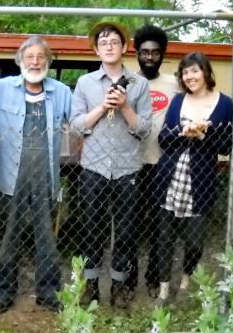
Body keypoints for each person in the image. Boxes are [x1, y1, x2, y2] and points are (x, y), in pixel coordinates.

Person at [0, 36, 72, 314]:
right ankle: (4, 292)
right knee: (7, 235)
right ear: (20, 60)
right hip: (10, 175)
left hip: (46, 175)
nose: (35, 62)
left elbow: (80, 120)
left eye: (40, 56)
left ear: (48, 61)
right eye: (29, 56)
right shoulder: (0, 88)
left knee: (46, 236)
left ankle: (48, 292)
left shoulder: (61, 91)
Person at [70, 21, 152, 309]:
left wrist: (126, 106)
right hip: (93, 167)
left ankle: (118, 286)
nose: (108, 46)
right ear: (96, 49)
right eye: (103, 42)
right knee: (91, 229)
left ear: (124, 47)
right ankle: (90, 286)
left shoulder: (140, 84)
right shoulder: (85, 83)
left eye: (114, 42)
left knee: (126, 232)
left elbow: (144, 130)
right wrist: (102, 107)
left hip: (128, 168)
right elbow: (76, 127)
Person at [154, 52, 233, 306]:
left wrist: (201, 135)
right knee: (165, 238)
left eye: (194, 71)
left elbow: (226, 146)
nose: (189, 76)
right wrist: (183, 131)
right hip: (170, 178)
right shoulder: (178, 101)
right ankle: (164, 290)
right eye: (185, 72)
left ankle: (185, 282)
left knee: (195, 241)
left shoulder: (225, 104)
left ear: (206, 72)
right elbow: (163, 139)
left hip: (201, 181)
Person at [125, 25, 179, 299]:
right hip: (133, 164)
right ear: (137, 53)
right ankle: (130, 280)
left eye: (155, 52)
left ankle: (155, 278)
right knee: (130, 225)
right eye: (144, 52)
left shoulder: (173, 83)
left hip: (164, 164)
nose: (149, 56)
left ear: (162, 54)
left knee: (161, 226)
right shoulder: (129, 82)